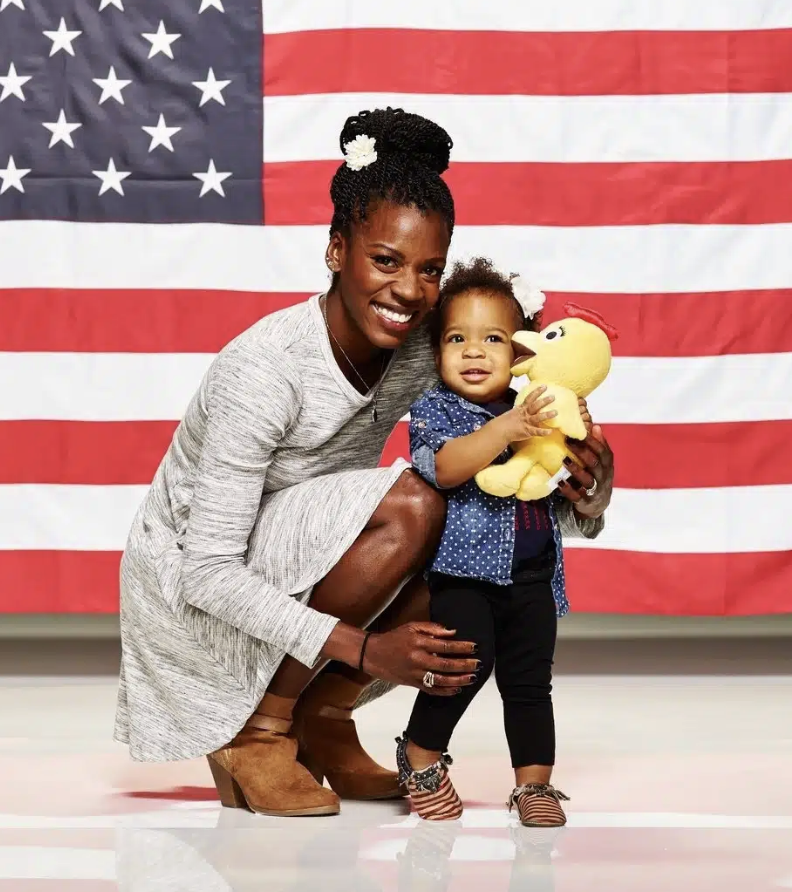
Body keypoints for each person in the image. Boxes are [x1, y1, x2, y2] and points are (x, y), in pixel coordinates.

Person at [114, 108, 614, 819]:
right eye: (386, 261)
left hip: (306, 556)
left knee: (457, 501)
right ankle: (259, 734)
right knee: (417, 501)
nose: (409, 291)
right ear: (336, 250)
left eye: (429, 269)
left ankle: (323, 714)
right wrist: (368, 647)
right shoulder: (265, 369)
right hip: (192, 583)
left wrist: (587, 486)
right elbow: (206, 570)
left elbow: (506, 467)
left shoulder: (427, 346)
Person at [394, 259, 612, 827]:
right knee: (462, 664)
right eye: (456, 339)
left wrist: (577, 442)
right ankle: (420, 754)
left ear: (521, 353)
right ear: (436, 350)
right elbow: (442, 468)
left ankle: (534, 784)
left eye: (492, 339)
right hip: (461, 574)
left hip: (534, 571)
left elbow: (563, 488)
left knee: (529, 679)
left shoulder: (538, 403)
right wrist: (505, 430)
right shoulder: (436, 407)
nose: (473, 352)